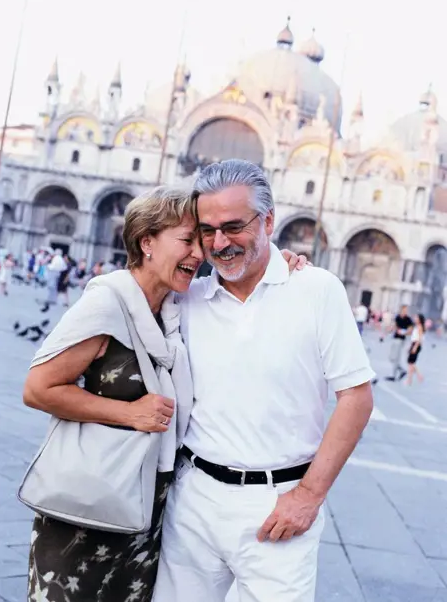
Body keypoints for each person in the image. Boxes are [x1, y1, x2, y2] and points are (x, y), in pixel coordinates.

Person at [22, 185, 305, 602]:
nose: (199, 253)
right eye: (187, 239)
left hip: (148, 513)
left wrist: (276, 262)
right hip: (87, 510)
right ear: (147, 242)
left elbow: (246, 279)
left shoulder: (175, 309)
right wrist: (130, 413)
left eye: (201, 240)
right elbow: (37, 389)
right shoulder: (108, 304)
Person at [153, 159, 374, 602]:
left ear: (269, 220)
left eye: (234, 226)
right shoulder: (187, 298)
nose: (219, 242)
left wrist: (309, 495)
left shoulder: (316, 290)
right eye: (207, 229)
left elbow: (356, 398)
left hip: (279, 506)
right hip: (192, 499)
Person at [388, 305, 413, 380]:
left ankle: (393, 375)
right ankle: (402, 370)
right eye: (404, 310)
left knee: (396, 358)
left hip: (401, 340)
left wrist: (403, 332)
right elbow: (394, 326)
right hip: (395, 338)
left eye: (406, 310)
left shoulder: (408, 319)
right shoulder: (397, 317)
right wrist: (389, 330)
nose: (405, 311)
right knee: (391, 357)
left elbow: (410, 331)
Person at [406, 313, 425, 385]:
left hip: (416, 345)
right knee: (411, 363)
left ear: (419, 319)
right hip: (414, 344)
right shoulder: (417, 326)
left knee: (411, 363)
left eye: (416, 317)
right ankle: (411, 379)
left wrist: (415, 347)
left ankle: (417, 376)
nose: (415, 318)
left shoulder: (420, 327)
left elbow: (419, 338)